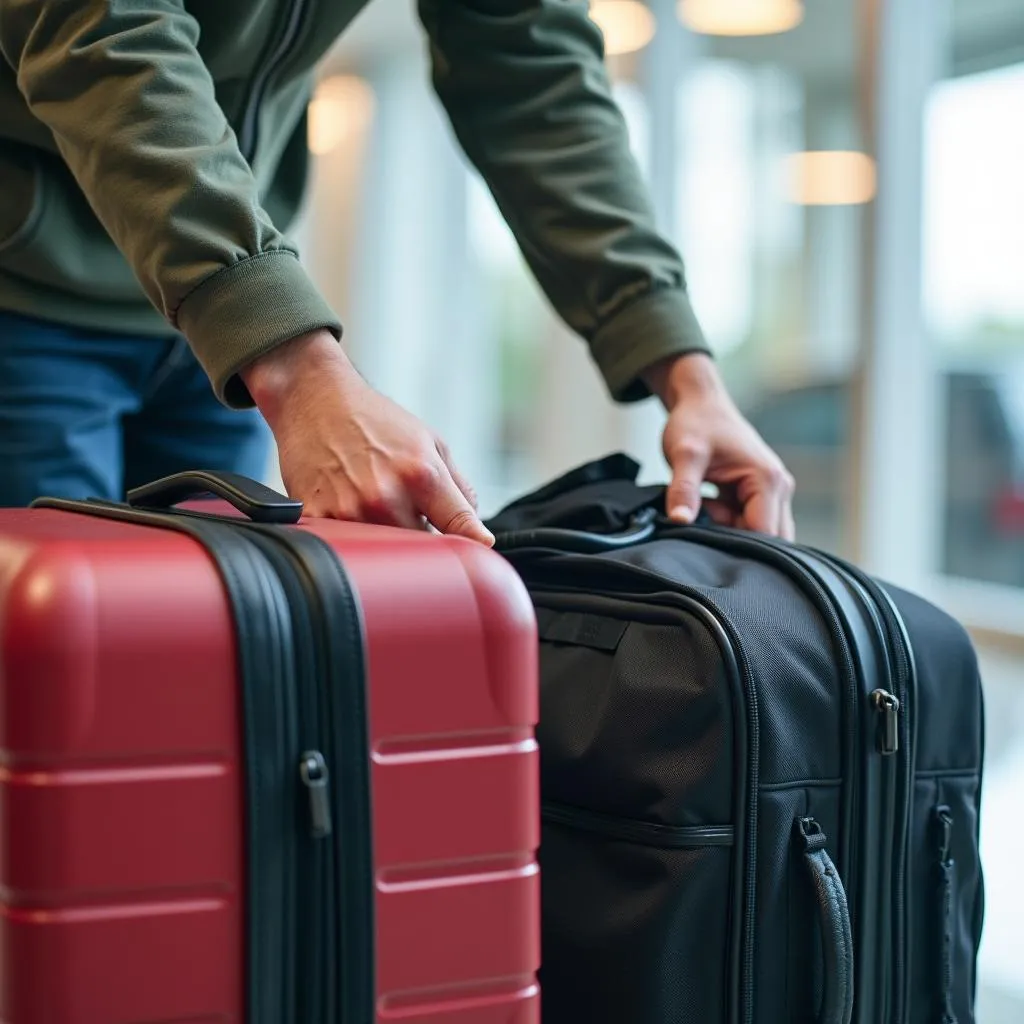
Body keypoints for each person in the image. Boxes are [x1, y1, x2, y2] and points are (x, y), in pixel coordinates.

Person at [0, 0, 795, 542]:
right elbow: (100, 29)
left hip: (208, 336)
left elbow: (530, 65)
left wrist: (685, 371)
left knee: (190, 677)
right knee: (39, 688)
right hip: (23, 288)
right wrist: (296, 366)